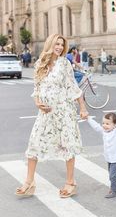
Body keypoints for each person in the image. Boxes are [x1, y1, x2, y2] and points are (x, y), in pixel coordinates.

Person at [15, 34, 88, 198]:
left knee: (67, 145)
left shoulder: (65, 63)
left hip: (64, 112)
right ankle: (29, 182)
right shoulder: (40, 64)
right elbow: (37, 88)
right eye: (57, 44)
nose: (60, 47)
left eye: (62, 45)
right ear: (50, 44)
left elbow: (72, 87)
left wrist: (82, 108)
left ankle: (70, 182)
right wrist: (37, 102)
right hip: (45, 113)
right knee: (34, 143)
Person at [86, 112, 116, 198]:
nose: (104, 125)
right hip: (109, 158)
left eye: (107, 124)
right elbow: (96, 126)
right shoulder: (104, 132)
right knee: (113, 174)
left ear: (114, 125)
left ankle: (114, 191)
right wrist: (88, 118)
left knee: (112, 175)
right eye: (103, 123)